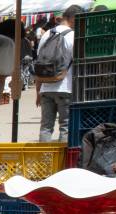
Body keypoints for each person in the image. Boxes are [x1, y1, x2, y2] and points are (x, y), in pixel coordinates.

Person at [36, 5, 77, 143]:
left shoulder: (46, 34)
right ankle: (63, 157)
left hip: (45, 88)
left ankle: (44, 156)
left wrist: (38, 91)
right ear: (73, 18)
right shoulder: (73, 36)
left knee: (45, 127)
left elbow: (40, 62)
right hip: (65, 87)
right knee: (65, 126)